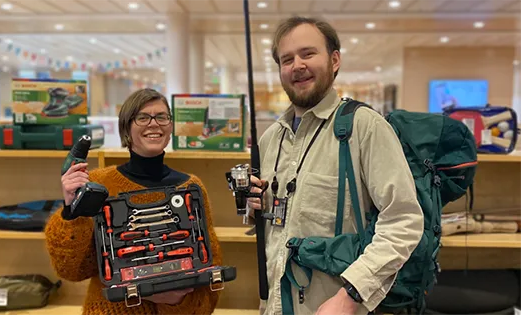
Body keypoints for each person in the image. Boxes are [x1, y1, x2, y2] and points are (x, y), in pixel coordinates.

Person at [247, 16, 424, 315]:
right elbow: (283, 223)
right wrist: (257, 209)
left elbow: (403, 221)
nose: (297, 65)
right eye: (286, 59)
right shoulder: (270, 139)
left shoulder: (363, 127)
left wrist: (351, 295)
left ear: (334, 60)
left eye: (308, 53)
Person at [44, 88, 223, 315]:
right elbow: (71, 270)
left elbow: (209, 285)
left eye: (161, 116)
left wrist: (174, 301)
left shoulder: (190, 188)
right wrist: (71, 211)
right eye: (142, 117)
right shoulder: (99, 184)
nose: (154, 124)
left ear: (170, 126)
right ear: (126, 127)